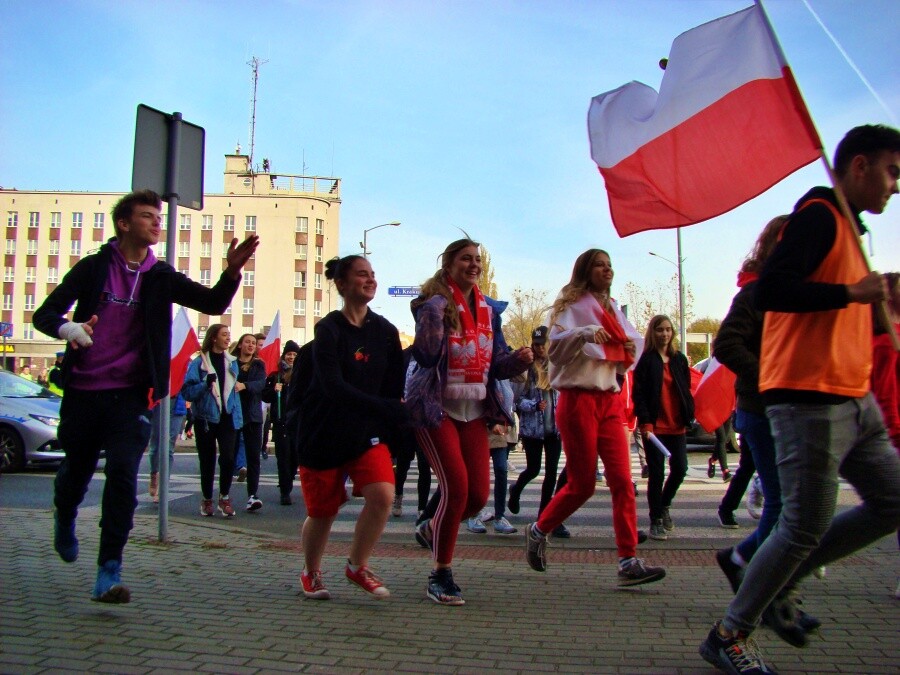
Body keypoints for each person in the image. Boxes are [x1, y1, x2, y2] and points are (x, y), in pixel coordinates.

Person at [699, 124, 900, 674]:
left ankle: (776, 579)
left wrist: (871, 300)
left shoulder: (850, 231)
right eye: (891, 171)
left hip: (854, 397)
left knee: (892, 501)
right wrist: (850, 293)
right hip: (807, 399)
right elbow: (773, 289)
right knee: (802, 522)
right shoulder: (817, 215)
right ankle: (730, 633)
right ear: (858, 166)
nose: (895, 186)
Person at [33, 188, 257, 603]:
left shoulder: (160, 276)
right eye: (148, 216)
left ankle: (108, 571)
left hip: (131, 395)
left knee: (123, 475)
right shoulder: (93, 268)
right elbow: (43, 314)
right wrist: (71, 330)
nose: (157, 222)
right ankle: (64, 514)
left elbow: (210, 301)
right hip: (83, 391)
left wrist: (231, 272)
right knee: (77, 474)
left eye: (159, 216)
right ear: (124, 223)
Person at [524, 248, 665, 587]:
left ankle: (628, 560)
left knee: (622, 481)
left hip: (609, 401)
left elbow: (629, 348)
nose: (607, 269)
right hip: (578, 401)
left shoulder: (614, 310)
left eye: (610, 264)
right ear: (586, 270)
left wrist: (626, 353)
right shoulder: (570, 307)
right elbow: (555, 350)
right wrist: (584, 332)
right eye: (600, 265)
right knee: (583, 484)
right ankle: (539, 529)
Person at [410, 238, 532, 605]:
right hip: (436, 409)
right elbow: (427, 356)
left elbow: (496, 364)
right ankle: (440, 574)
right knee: (457, 489)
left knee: (478, 497)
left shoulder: (489, 311)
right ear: (448, 265)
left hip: (474, 411)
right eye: (466, 259)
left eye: (478, 259)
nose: (474, 264)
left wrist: (520, 361)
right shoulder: (432, 305)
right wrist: (432, 314)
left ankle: (432, 527)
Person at [295, 255, 407, 600]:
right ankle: (311, 572)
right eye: (362, 274)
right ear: (342, 285)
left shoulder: (386, 332)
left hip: (364, 433)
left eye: (373, 274)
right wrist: (386, 407)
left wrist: (392, 420)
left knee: (383, 495)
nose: (370, 280)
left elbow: (394, 386)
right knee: (323, 512)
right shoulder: (328, 329)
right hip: (322, 432)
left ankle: (357, 565)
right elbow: (333, 387)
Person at [633, 314, 693, 541]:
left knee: (680, 468)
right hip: (655, 428)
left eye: (668, 329)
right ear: (653, 333)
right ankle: (655, 519)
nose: (665, 334)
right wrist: (645, 422)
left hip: (677, 425)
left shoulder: (679, 359)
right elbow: (639, 395)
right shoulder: (647, 361)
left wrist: (690, 412)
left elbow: (685, 389)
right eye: (660, 330)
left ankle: (664, 504)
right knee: (656, 473)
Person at [182, 324, 244, 518]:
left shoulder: (232, 362)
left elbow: (234, 393)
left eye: (229, 335)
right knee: (207, 460)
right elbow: (187, 392)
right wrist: (204, 384)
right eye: (224, 335)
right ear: (214, 338)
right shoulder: (200, 363)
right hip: (206, 418)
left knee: (227, 458)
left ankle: (224, 497)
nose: (228, 338)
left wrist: (238, 416)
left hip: (227, 416)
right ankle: (207, 499)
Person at [509, 326, 565, 534]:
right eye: (537, 344)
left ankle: (545, 517)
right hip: (533, 430)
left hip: (554, 430)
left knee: (552, 472)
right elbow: (516, 401)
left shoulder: (557, 367)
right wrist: (533, 405)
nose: (541, 348)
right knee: (533, 469)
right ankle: (515, 491)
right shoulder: (527, 368)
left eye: (544, 344)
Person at [231, 333, 267, 511]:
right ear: (240, 345)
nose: (251, 345)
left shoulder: (258, 364)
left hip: (253, 416)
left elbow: (261, 384)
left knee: (254, 457)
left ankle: (252, 495)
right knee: (228, 455)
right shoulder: (231, 363)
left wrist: (244, 386)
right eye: (248, 342)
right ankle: (224, 494)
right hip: (234, 414)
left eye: (254, 343)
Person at [263, 340, 301, 505]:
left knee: (295, 457)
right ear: (284, 355)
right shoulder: (275, 375)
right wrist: (274, 390)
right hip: (281, 421)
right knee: (283, 457)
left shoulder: (302, 373)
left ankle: (290, 477)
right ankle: (285, 491)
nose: (291, 357)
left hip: (298, 421)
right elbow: (264, 395)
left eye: (294, 354)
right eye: (289, 354)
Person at [148, 392, 187, 504]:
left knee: (169, 447)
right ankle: (154, 473)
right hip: (159, 400)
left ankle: (162, 489)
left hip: (177, 402)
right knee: (155, 445)